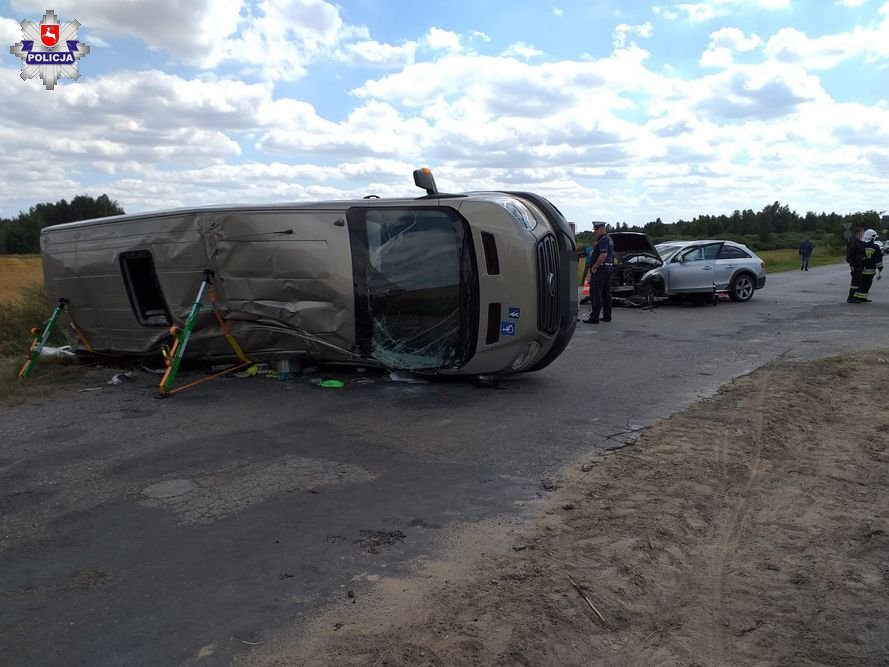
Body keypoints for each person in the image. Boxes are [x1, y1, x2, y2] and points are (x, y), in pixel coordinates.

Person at [583, 222, 614, 323]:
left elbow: (603, 254)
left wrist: (595, 267)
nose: (595, 232)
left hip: (601, 269)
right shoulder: (609, 239)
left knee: (596, 293)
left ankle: (594, 317)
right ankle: (607, 316)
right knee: (606, 293)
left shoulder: (603, 240)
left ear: (602, 228)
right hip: (607, 268)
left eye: (596, 230)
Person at [859, 228, 883, 301]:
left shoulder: (860, 245)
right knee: (866, 284)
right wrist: (880, 268)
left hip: (860, 269)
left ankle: (858, 297)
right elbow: (878, 260)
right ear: (872, 237)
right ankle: (862, 298)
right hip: (870, 270)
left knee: (860, 284)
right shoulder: (875, 247)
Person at [846, 227, 867, 303]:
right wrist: (851, 265)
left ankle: (855, 297)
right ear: (858, 232)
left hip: (860, 265)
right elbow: (849, 255)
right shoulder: (853, 242)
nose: (863, 234)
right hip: (855, 265)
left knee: (858, 282)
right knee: (855, 282)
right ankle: (851, 297)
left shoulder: (859, 242)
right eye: (862, 232)